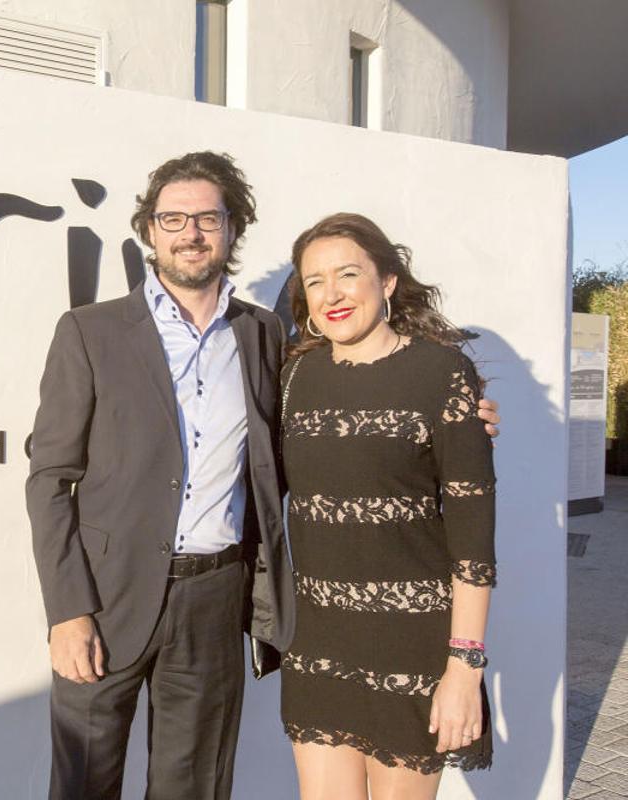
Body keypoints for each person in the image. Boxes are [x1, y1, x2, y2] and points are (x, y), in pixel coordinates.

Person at [26, 153, 499, 798]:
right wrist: (67, 612)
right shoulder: (90, 331)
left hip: (216, 601)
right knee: (82, 785)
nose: (191, 232)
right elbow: (50, 478)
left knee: (193, 787)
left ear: (232, 229)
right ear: (150, 230)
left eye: (208, 218)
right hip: (106, 601)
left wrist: (462, 422)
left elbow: (345, 420)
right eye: (173, 218)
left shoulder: (264, 335)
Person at [278, 213, 496, 800]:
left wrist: (464, 666)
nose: (332, 294)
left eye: (348, 274)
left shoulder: (442, 373)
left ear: (388, 281)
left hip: (412, 645)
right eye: (315, 281)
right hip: (319, 643)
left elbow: (474, 541)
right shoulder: (294, 377)